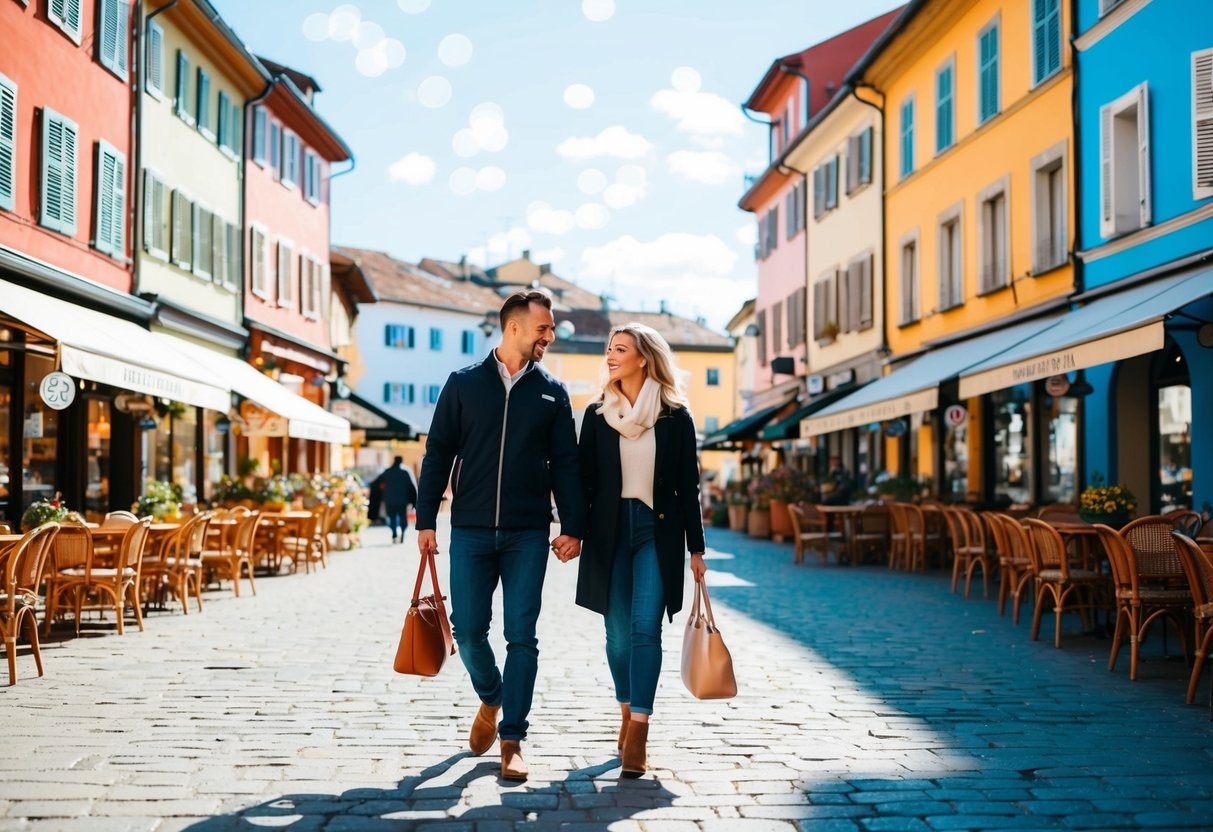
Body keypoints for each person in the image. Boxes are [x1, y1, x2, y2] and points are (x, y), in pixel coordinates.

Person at [415, 289, 585, 781]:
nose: (549, 336)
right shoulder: (464, 384)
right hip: (468, 529)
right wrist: (427, 520)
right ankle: (491, 696)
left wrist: (573, 526)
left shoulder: (552, 392)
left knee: (522, 636)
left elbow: (567, 465)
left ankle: (512, 739)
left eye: (550, 329)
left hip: (527, 533)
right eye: (543, 329)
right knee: (467, 631)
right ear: (514, 327)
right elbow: (438, 453)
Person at [574, 322, 707, 778]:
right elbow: (583, 482)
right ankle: (626, 711)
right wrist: (572, 529)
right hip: (608, 533)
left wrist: (697, 548)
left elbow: (689, 487)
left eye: (620, 349)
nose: (611, 356)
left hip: (658, 531)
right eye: (609, 349)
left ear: (644, 358)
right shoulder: (595, 415)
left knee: (646, 629)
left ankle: (640, 732)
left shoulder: (675, 417)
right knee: (616, 635)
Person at [380, 456, 418, 543]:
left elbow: (379, 484)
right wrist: (413, 501)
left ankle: (394, 534)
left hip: (390, 500)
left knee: (392, 518)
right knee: (402, 518)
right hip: (402, 501)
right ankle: (403, 533)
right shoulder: (404, 473)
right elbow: (411, 487)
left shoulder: (387, 472)